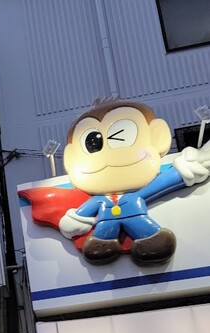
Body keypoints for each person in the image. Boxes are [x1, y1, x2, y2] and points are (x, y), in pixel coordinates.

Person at [20, 98, 210, 266]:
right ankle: (102, 244)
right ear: (70, 158)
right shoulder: (99, 200)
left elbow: (162, 184)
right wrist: (73, 219)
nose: (107, 156)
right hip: (105, 224)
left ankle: (151, 239)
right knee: (103, 235)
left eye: (120, 136)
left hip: (135, 216)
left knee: (143, 229)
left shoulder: (136, 195)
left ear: (157, 136)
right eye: (93, 144)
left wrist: (184, 170)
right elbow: (81, 214)